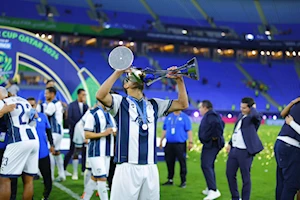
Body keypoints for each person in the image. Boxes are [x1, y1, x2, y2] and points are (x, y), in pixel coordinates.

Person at [96, 66, 189, 200]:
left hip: (150, 167)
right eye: (130, 78)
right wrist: (119, 71)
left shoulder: (155, 104)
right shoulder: (120, 103)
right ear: (126, 85)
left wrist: (179, 81)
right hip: (127, 166)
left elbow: (182, 104)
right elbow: (100, 95)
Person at [0, 86, 39, 200]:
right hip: (33, 140)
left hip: (18, 141)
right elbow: (33, 119)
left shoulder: (3, 102)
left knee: (4, 179)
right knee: (28, 180)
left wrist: (3, 111)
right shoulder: (24, 101)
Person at [226, 97, 263, 200]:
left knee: (245, 178)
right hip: (234, 150)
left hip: (245, 152)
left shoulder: (254, 118)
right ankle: (235, 197)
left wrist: (253, 108)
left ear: (250, 108)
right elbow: (236, 131)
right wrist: (230, 143)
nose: (242, 109)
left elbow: (257, 116)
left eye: (244, 108)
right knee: (229, 174)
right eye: (241, 107)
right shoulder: (241, 116)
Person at [83, 102, 117, 200]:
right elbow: (87, 134)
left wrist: (115, 133)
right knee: (102, 178)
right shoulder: (92, 114)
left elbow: (113, 131)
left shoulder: (110, 114)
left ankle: (85, 198)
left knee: (95, 177)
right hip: (96, 151)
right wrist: (103, 133)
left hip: (107, 152)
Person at [27, 97, 54, 200]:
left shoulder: (43, 116)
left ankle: (45, 197)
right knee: (28, 179)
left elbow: (48, 131)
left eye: (33, 105)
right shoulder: (22, 119)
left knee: (47, 178)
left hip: (43, 152)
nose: (31, 108)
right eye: (29, 105)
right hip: (29, 154)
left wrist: (52, 145)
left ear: (36, 106)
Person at [274, 97, 300, 200]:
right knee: (291, 185)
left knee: (281, 182)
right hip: (292, 146)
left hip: (280, 143)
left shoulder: (297, 104)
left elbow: (283, 114)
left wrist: (292, 102)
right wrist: (292, 123)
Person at [159, 110, 193, 188]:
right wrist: (161, 140)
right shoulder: (169, 117)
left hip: (180, 144)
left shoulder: (185, 117)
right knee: (169, 161)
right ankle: (170, 179)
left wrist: (190, 141)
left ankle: (183, 181)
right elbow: (165, 129)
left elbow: (189, 130)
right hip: (169, 143)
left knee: (182, 162)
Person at [198, 100, 224, 200]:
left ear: (205, 107)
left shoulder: (212, 115)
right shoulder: (209, 115)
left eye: (200, 107)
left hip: (212, 145)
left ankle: (213, 190)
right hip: (209, 144)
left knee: (206, 165)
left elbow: (219, 125)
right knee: (208, 165)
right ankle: (210, 187)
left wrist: (215, 138)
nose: (199, 110)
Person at [39, 87, 66, 182]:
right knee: (57, 153)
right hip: (59, 131)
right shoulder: (58, 103)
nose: (45, 95)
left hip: (54, 131)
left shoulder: (52, 104)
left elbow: (44, 116)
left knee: (50, 152)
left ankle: (50, 176)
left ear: (52, 94)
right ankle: (62, 174)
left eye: (46, 93)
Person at [64, 89, 88, 179]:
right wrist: (78, 127)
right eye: (83, 95)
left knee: (84, 151)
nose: (84, 96)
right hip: (74, 132)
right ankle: (64, 168)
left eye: (85, 95)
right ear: (78, 95)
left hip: (84, 132)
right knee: (72, 150)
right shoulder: (72, 105)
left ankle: (83, 170)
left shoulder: (86, 106)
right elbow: (69, 118)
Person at [0, 91, 18, 200]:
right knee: (11, 173)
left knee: (9, 174)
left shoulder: (9, 105)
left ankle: (12, 196)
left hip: (9, 143)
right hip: (12, 143)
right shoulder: (13, 104)